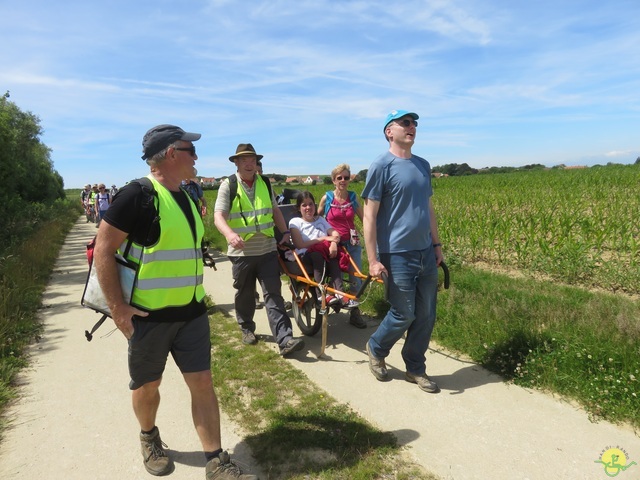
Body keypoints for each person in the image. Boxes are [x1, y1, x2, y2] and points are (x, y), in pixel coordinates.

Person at [93, 124, 257, 479]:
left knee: (202, 384)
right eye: (190, 150)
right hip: (148, 317)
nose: (196, 157)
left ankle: (215, 460)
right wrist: (119, 310)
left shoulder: (185, 196)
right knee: (148, 386)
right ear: (171, 154)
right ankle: (149, 437)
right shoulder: (136, 196)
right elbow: (102, 251)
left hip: (192, 313)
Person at [361, 109, 444, 394]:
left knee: (426, 314)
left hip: (425, 252)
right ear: (389, 131)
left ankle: (415, 368)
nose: (413, 127)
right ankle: (375, 346)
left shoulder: (422, 165)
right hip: (396, 254)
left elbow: (428, 208)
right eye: (406, 123)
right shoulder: (381, 166)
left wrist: (437, 244)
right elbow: (369, 215)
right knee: (403, 313)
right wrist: (372, 259)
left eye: (415, 123)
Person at [214, 143, 304, 356]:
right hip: (242, 252)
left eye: (252, 159)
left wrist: (285, 233)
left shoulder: (264, 182)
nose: (248, 163)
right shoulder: (229, 185)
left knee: (274, 294)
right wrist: (229, 234)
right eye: (244, 159)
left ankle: (285, 339)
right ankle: (246, 328)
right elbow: (219, 216)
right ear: (236, 162)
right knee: (245, 294)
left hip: (267, 249)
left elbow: (274, 210)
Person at [288, 191, 359, 309]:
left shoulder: (320, 219)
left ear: (314, 206)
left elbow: (334, 233)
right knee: (317, 254)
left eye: (310, 204)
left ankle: (340, 294)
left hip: (324, 252)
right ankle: (320, 295)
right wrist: (323, 238)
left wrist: (333, 244)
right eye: (304, 205)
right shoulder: (295, 222)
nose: (308, 208)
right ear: (299, 208)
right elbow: (300, 244)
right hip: (305, 255)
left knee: (333, 257)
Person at [318, 165, 367, 328]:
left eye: (346, 178)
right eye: (340, 178)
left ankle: (355, 312)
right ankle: (333, 298)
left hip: (352, 244)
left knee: (356, 278)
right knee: (334, 275)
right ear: (333, 180)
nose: (343, 181)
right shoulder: (327, 198)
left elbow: (364, 218)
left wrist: (373, 234)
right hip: (334, 245)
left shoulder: (352, 197)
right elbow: (317, 219)